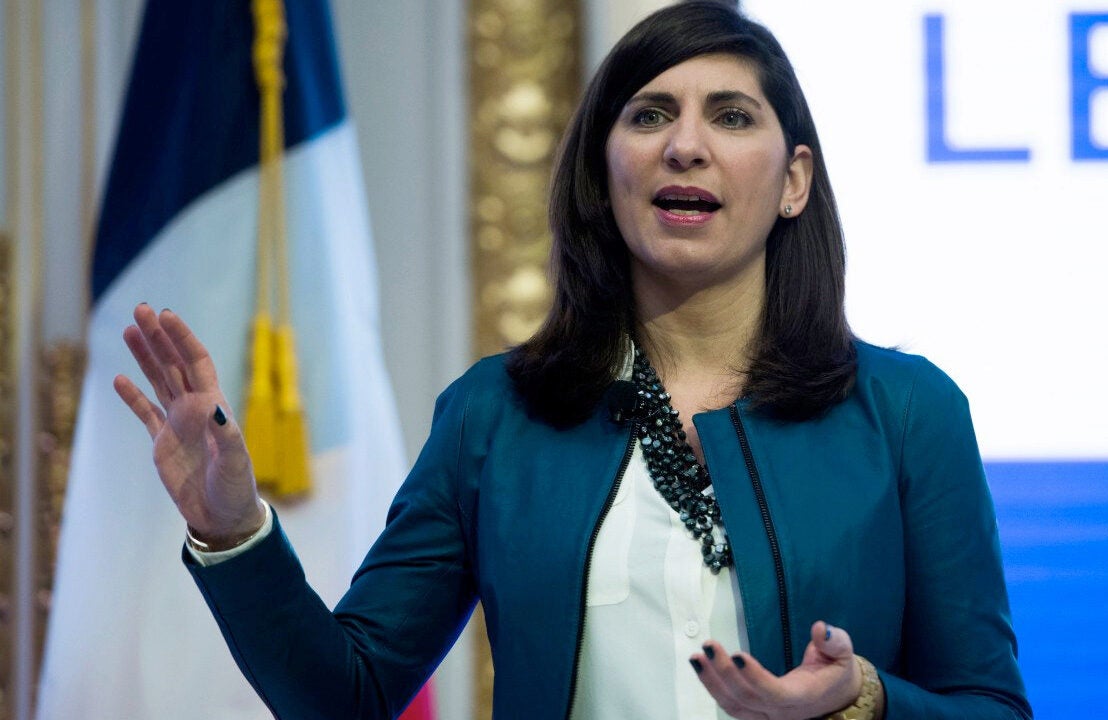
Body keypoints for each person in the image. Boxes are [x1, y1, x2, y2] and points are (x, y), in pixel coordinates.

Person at [114, 2, 1031, 718]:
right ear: (604, 173)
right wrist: (234, 534)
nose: (685, 143)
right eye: (650, 114)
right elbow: (344, 698)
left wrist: (860, 698)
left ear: (793, 181)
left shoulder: (909, 411)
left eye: (731, 116)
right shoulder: (495, 418)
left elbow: (991, 708)